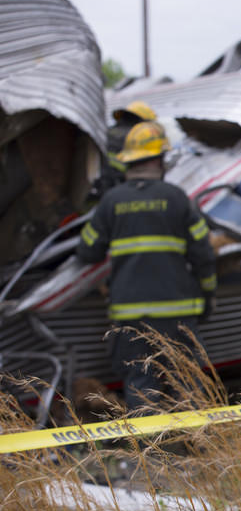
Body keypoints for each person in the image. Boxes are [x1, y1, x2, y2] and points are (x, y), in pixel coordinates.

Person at [77, 121, 217, 411]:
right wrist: (208, 295)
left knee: (141, 382)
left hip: (130, 315)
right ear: (159, 159)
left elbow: (88, 251)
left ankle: (150, 453)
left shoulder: (111, 202)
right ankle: (201, 448)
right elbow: (203, 254)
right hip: (177, 313)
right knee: (188, 379)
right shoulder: (177, 198)